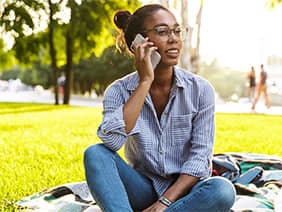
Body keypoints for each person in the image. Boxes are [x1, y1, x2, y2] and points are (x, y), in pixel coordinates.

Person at [84, 4, 235, 212]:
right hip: (142, 190)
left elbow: (200, 160)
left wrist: (164, 203)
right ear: (138, 44)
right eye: (163, 32)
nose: (174, 39)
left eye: (177, 31)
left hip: (185, 193)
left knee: (222, 190)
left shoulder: (200, 90)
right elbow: (111, 142)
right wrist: (145, 81)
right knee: (95, 153)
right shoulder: (118, 91)